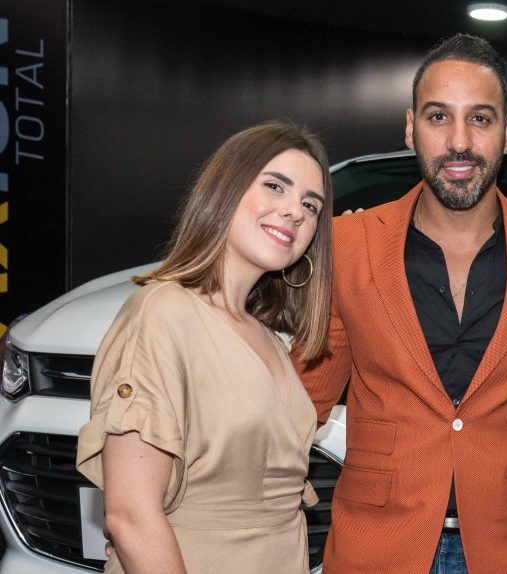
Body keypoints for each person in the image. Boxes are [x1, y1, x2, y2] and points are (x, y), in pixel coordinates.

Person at [293, 34, 507, 573]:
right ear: (410, 127)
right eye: (439, 117)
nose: (459, 141)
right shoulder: (349, 246)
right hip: (377, 549)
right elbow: (300, 404)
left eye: (480, 119)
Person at [76, 121, 333, 574]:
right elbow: (131, 517)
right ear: (225, 191)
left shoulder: (269, 338)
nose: (295, 212)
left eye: (310, 205)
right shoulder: (163, 313)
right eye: (276, 186)